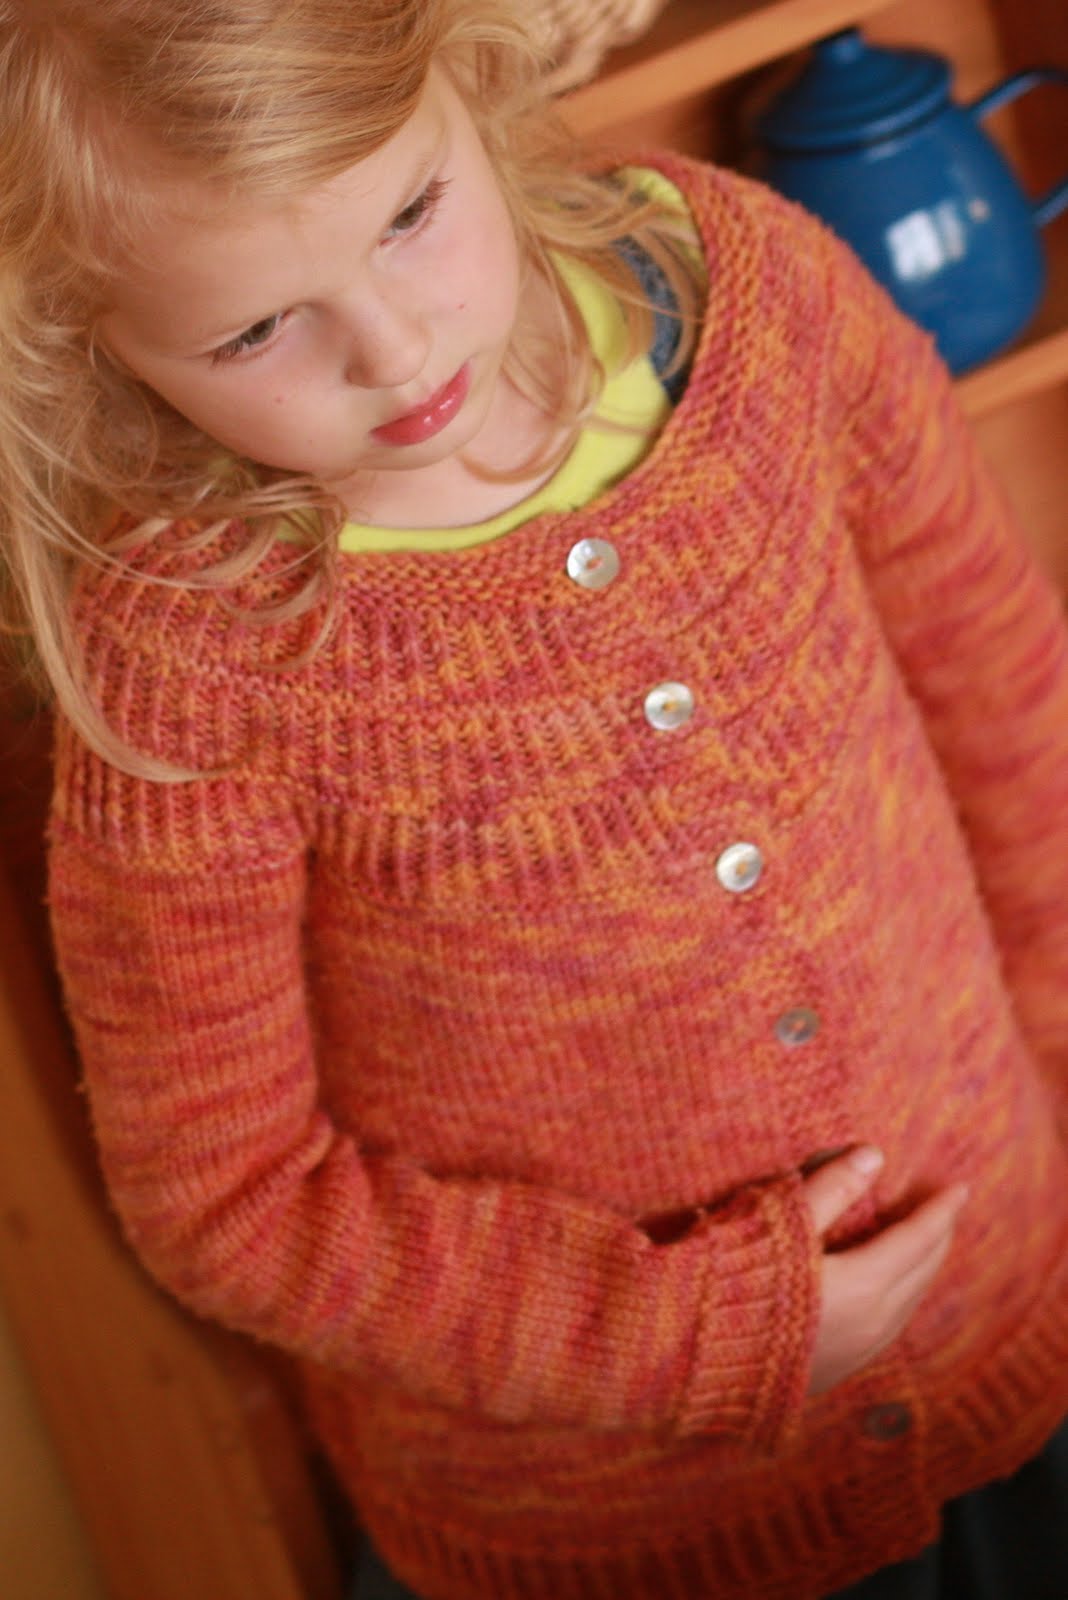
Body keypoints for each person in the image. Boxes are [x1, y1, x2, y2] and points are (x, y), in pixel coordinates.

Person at [3, 3, 1068, 1598]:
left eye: (411, 216)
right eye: (256, 331)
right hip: (618, 1512)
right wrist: (688, 1333)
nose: (395, 350)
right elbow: (226, 1197)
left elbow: (1009, 713)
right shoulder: (194, 667)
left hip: (1007, 1298)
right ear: (87, 344)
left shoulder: (751, 298)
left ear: (472, 77)